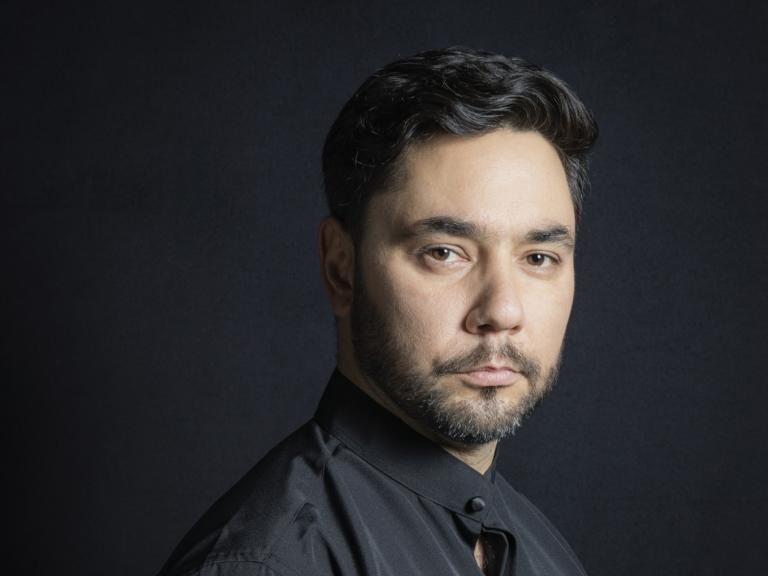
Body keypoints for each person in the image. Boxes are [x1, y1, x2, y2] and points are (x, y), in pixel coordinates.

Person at [158, 46, 598, 576]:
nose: (502, 310)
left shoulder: (545, 551)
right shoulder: (271, 564)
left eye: (539, 257)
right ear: (341, 268)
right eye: (444, 252)